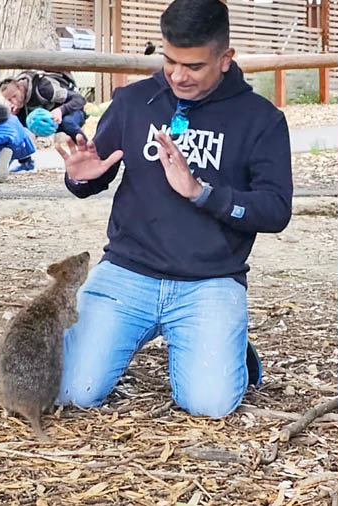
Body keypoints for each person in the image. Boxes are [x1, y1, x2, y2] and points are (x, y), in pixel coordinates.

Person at [54, 0, 292, 418]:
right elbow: (93, 178)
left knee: (209, 405)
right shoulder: (135, 101)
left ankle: (227, 344)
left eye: (194, 66)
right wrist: (81, 176)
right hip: (128, 272)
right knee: (75, 392)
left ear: (225, 58)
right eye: (170, 60)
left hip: (210, 281)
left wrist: (203, 192)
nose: (178, 75)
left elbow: (275, 210)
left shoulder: (261, 120)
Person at [0, 70, 87, 172]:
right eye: (9, 100)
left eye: (14, 96)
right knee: (14, 123)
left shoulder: (44, 88)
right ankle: (26, 163)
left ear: (21, 87)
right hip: (48, 119)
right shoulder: (20, 102)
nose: (14, 101)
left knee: (68, 122)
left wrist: (61, 110)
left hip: (71, 111)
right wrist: (15, 114)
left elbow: (79, 99)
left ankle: (88, 154)